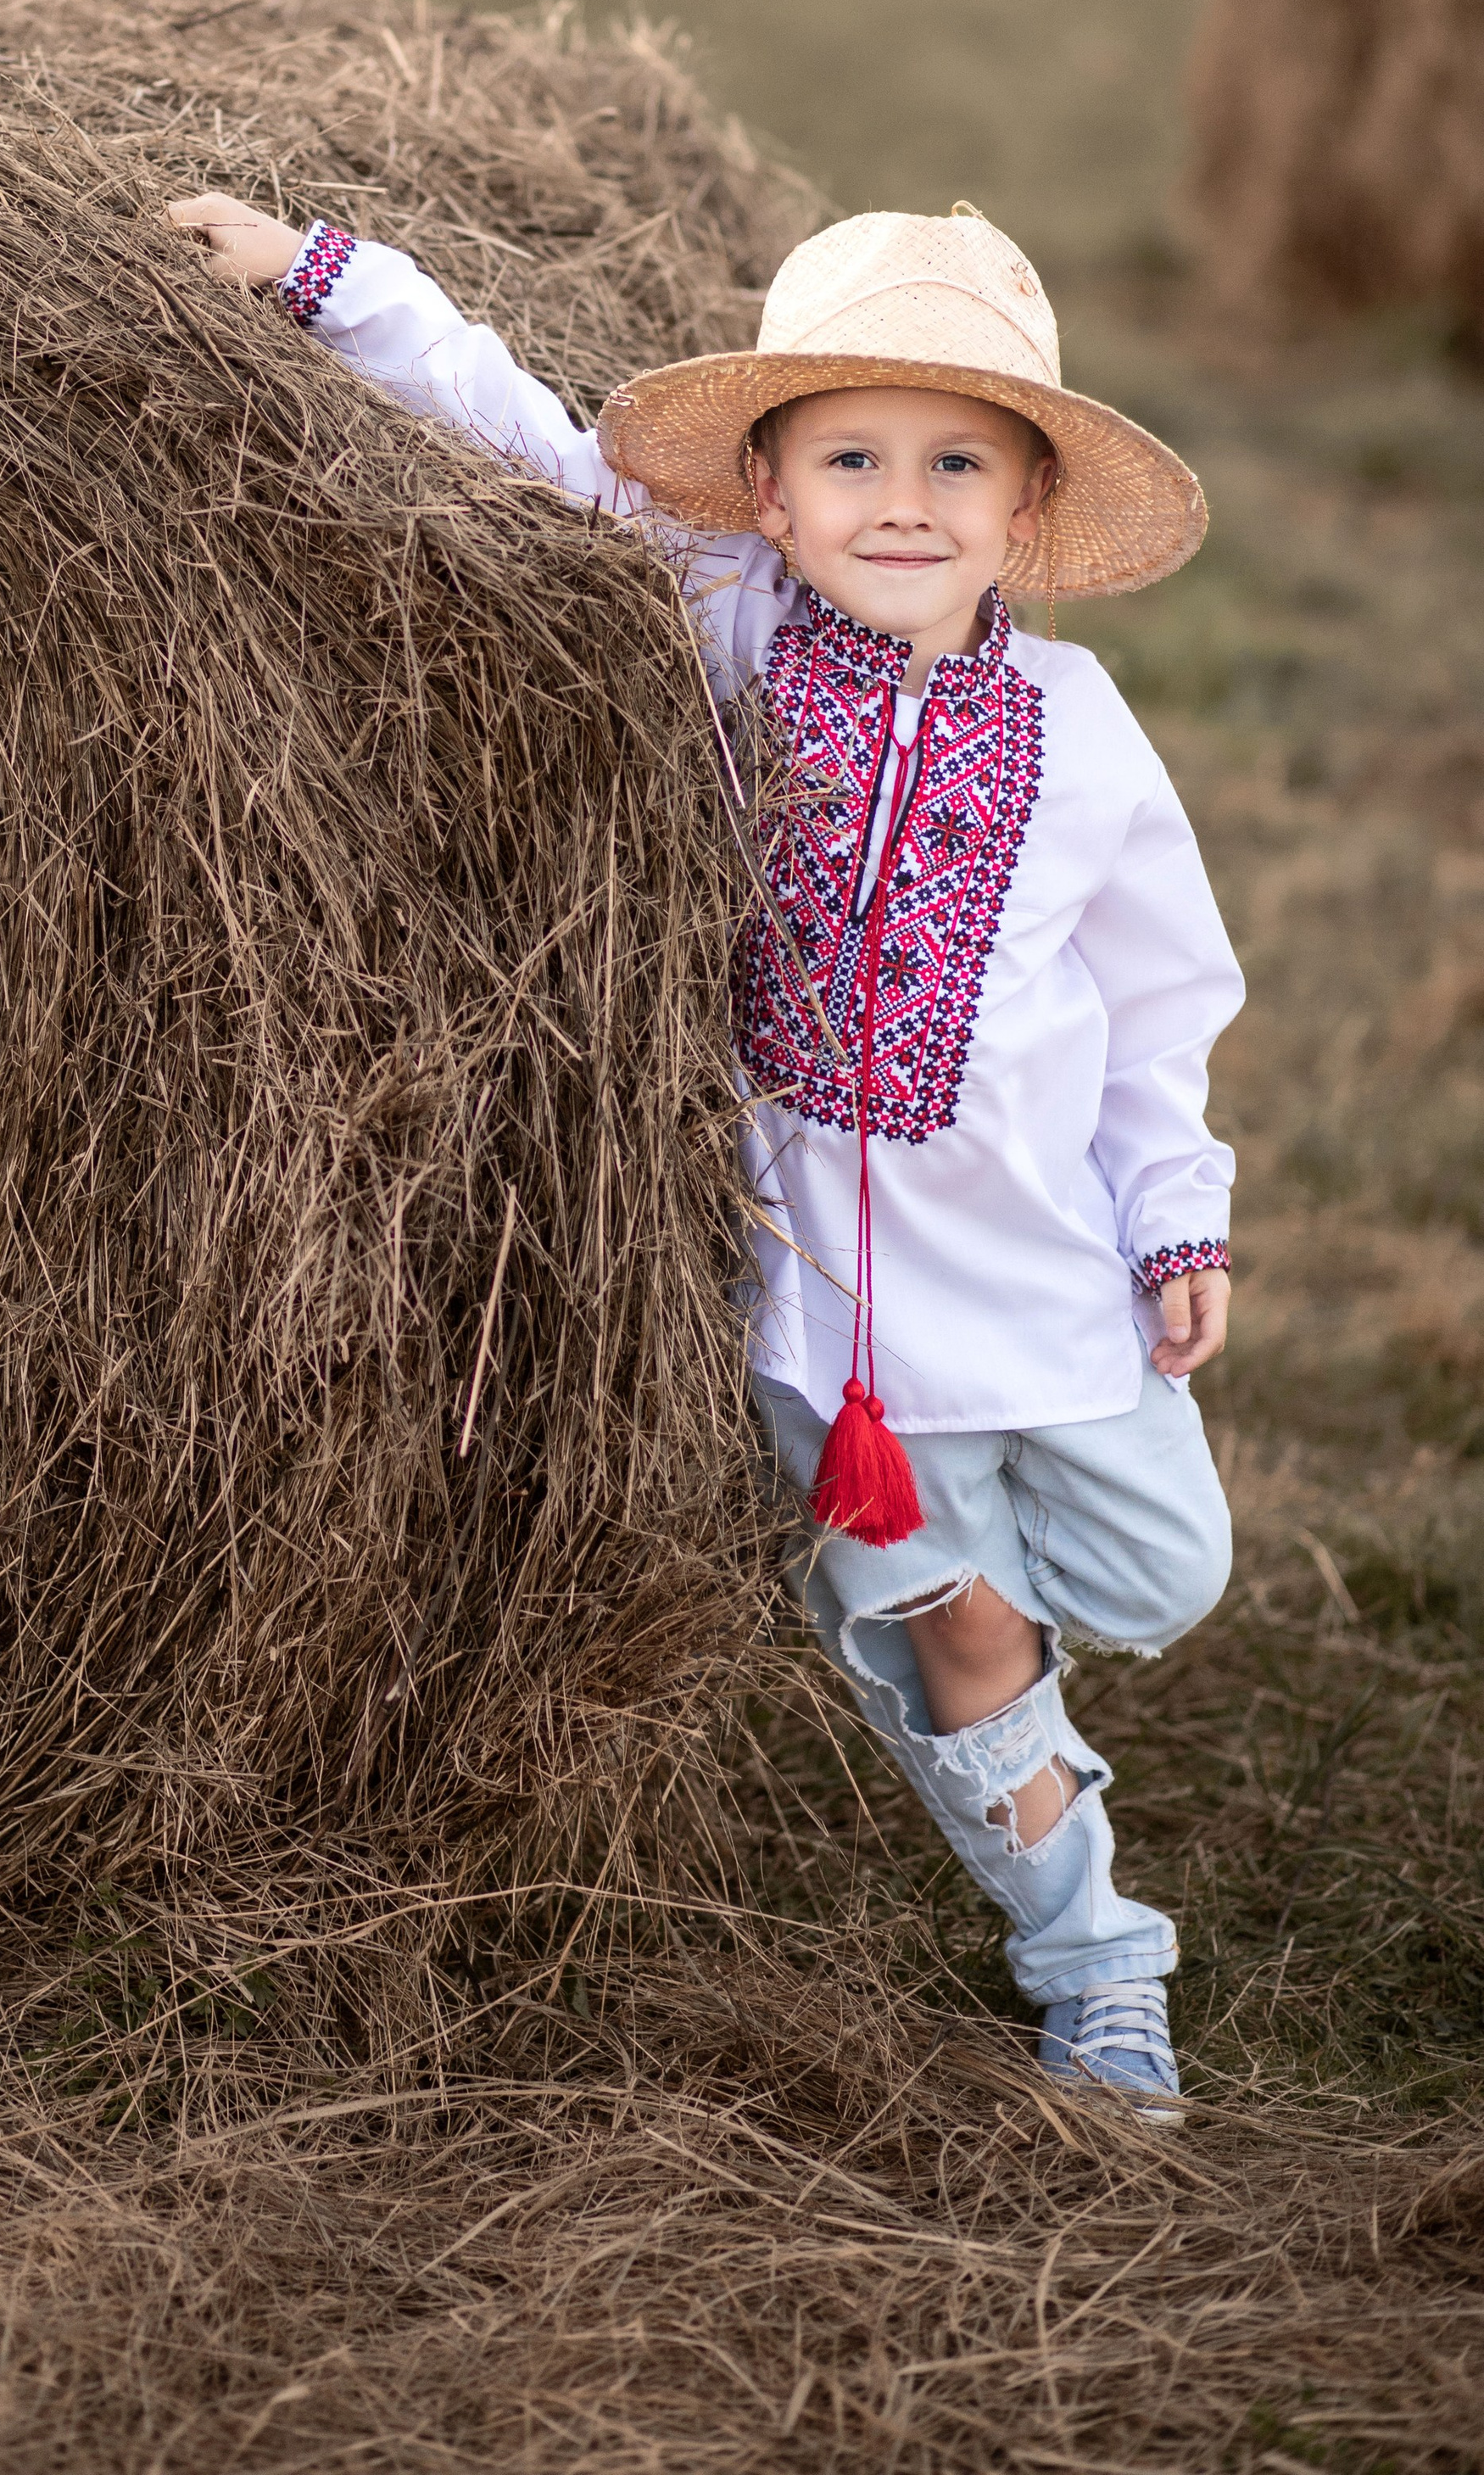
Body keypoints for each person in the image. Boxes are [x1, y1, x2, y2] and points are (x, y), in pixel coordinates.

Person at [168, 188, 1241, 2121]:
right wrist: (336, 283)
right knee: (950, 1646)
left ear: (1019, 513)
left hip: (1049, 1279)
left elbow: (1159, 1009)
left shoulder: (1080, 735)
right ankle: (1094, 1964)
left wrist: (1174, 1219)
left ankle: (995, 1677)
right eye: (847, 458)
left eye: (950, 464)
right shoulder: (726, 629)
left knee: (1165, 1577)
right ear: (765, 493)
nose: (896, 502)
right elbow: (521, 445)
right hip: (825, 1333)